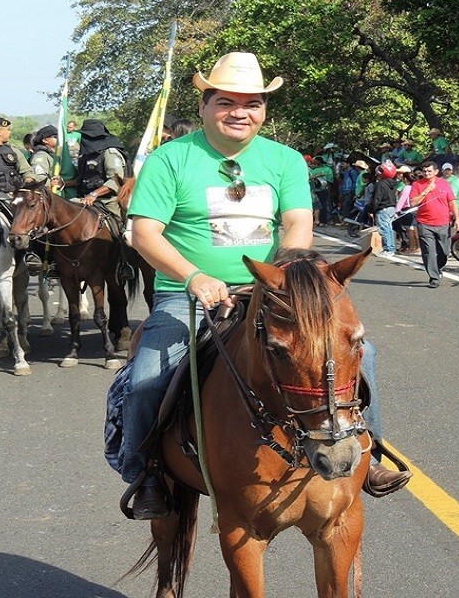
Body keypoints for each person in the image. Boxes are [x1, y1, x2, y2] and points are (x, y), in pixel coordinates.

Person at [122, 51, 409, 519]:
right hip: (187, 294)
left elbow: (298, 222)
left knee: (362, 353)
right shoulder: (170, 160)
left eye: (251, 103)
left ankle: (370, 456)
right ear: (204, 105)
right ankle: (146, 470)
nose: (240, 112)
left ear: (264, 108)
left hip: (271, 292)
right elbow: (144, 234)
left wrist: (285, 281)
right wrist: (196, 277)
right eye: (226, 102)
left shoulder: (285, 160)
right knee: (146, 376)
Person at [410, 160, 459, 288]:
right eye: (425, 171)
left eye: (429, 171)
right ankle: (434, 277)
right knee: (429, 251)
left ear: (436, 172)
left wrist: (457, 219)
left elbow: (452, 202)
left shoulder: (444, 184)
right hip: (424, 223)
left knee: (444, 252)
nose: (426, 173)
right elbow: (413, 203)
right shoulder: (417, 184)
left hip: (443, 223)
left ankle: (438, 268)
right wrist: (426, 190)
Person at [75, 119, 129, 220]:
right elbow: (82, 179)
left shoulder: (110, 153)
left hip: (108, 200)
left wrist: (94, 194)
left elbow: (115, 180)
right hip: (83, 198)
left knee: (117, 226)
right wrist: (63, 183)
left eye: (87, 136)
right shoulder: (86, 155)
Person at [367, 161, 399, 254]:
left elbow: (377, 199)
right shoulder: (394, 184)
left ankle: (389, 249)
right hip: (391, 208)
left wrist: (371, 210)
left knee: (384, 229)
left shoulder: (380, 184)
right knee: (389, 229)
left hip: (383, 209)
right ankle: (392, 247)